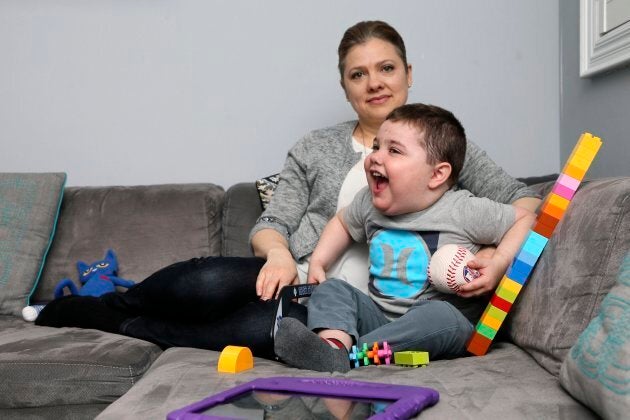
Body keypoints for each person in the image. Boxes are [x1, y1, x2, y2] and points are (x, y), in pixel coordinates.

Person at [36, 21, 540, 361]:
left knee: (260, 332)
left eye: (387, 68)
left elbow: (524, 205)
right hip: (302, 280)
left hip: (367, 310)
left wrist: (493, 258)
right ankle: (111, 305)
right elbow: (274, 222)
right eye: (357, 74)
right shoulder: (315, 148)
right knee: (207, 285)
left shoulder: (446, 146)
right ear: (345, 87)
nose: (374, 83)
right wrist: (278, 256)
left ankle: (131, 329)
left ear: (408, 74)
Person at [273, 103, 535, 373]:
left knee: (439, 316)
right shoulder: (368, 204)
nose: (376, 157)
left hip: (440, 326)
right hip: (378, 318)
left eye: (394, 150)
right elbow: (341, 221)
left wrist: (499, 263)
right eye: (376, 147)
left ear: (436, 174)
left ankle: (349, 355)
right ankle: (333, 348)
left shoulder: (463, 210)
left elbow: (525, 219)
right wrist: (319, 261)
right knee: (332, 289)